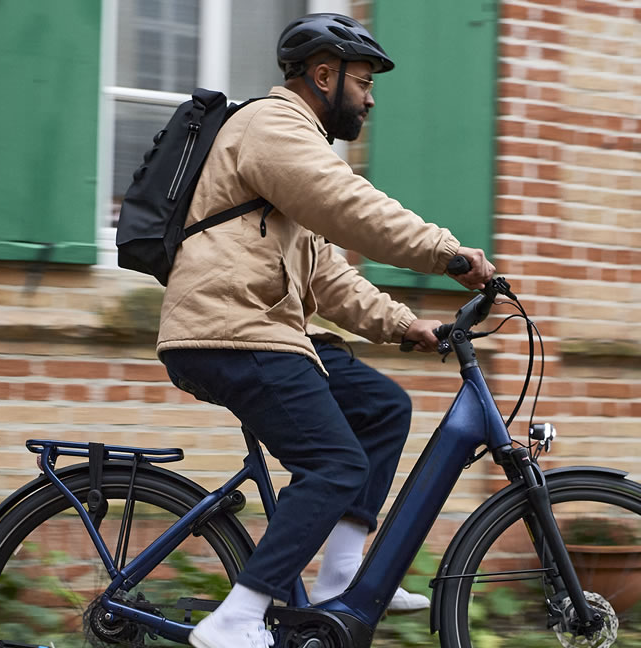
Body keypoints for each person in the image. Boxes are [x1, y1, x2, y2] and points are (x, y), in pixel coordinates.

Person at [155, 13, 496, 648]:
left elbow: (328, 277)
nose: (370, 98)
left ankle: (343, 579)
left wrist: (405, 325)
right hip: (230, 329)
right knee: (334, 463)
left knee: (382, 407)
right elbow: (350, 207)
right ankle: (235, 618)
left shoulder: (293, 154)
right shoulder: (272, 126)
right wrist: (446, 253)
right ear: (322, 75)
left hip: (266, 328)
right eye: (363, 82)